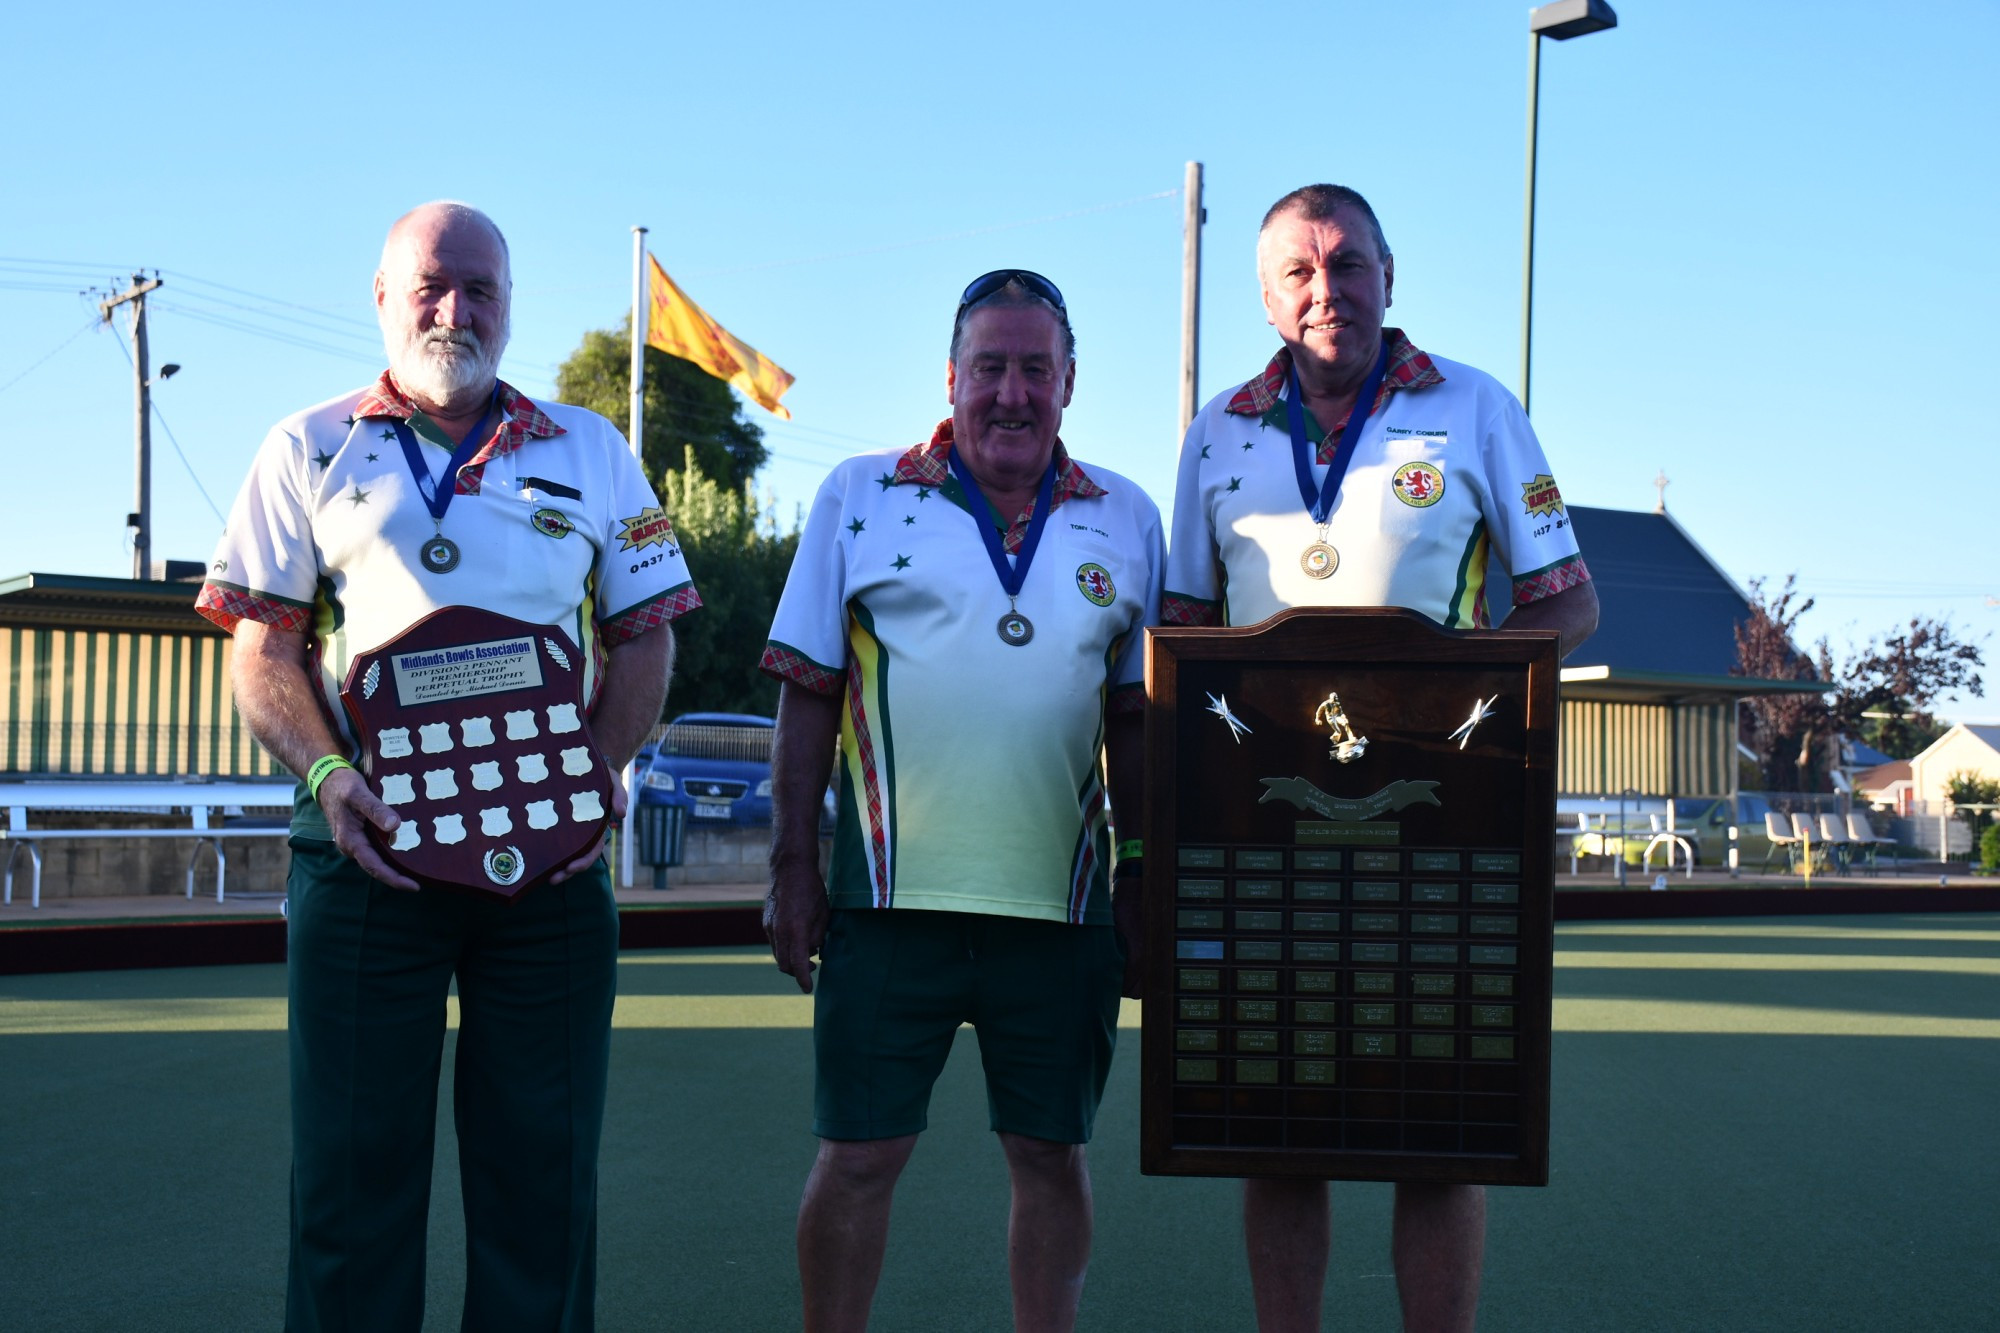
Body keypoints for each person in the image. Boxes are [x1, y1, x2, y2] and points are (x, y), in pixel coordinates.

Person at [196, 201, 697, 1332]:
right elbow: (262, 647)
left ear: (511, 305)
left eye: (482, 289)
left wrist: (598, 777)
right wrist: (331, 781)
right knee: (348, 1189)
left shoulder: (597, 449)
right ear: (382, 296)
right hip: (365, 860)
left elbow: (649, 628)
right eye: (430, 285)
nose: (454, 310)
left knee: (544, 1186)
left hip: (553, 876)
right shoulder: (305, 444)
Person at [1164, 184, 1599, 1333]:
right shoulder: (1214, 429)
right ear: (1264, 296)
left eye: (1347, 265)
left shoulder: (1476, 407)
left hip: (1436, 823)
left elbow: (1566, 601)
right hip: (1262, 823)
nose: (1326, 291)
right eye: (1298, 273)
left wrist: (1453, 706)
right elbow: (1180, 635)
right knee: (1278, 1127)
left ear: (1389, 275)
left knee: (1436, 1127)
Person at [760, 271, 1162, 1333]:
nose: (1012, 393)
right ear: (951, 377)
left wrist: (1142, 875)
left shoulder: (1128, 516)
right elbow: (806, 692)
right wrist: (791, 868)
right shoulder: (858, 492)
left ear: (1069, 382)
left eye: (1036, 368)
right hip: (887, 906)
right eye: (990, 367)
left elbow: (1136, 720)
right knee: (856, 1158)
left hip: (1060, 910)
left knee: (1050, 1156)